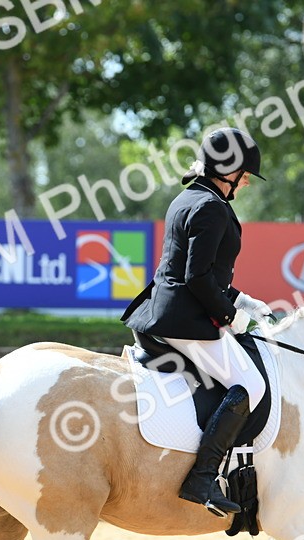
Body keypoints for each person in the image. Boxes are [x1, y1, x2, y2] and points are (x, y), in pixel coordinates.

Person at [121, 128, 274, 516]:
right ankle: (202, 478)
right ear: (227, 170)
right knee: (250, 385)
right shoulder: (211, 207)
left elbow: (201, 271)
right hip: (185, 321)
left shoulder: (189, 198)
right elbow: (197, 278)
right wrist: (231, 316)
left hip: (166, 311)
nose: (244, 183)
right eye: (243, 175)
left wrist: (243, 299)